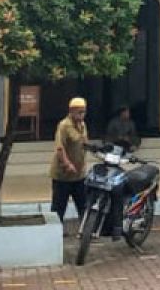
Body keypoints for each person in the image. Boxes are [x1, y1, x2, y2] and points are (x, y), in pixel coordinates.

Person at [50, 97, 89, 226]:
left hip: (79, 174)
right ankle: (55, 231)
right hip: (63, 175)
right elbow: (60, 148)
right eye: (79, 112)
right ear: (71, 111)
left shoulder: (82, 125)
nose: (82, 115)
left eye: (84, 112)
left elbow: (84, 143)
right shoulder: (64, 125)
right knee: (59, 207)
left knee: (83, 206)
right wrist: (67, 163)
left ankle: (85, 232)